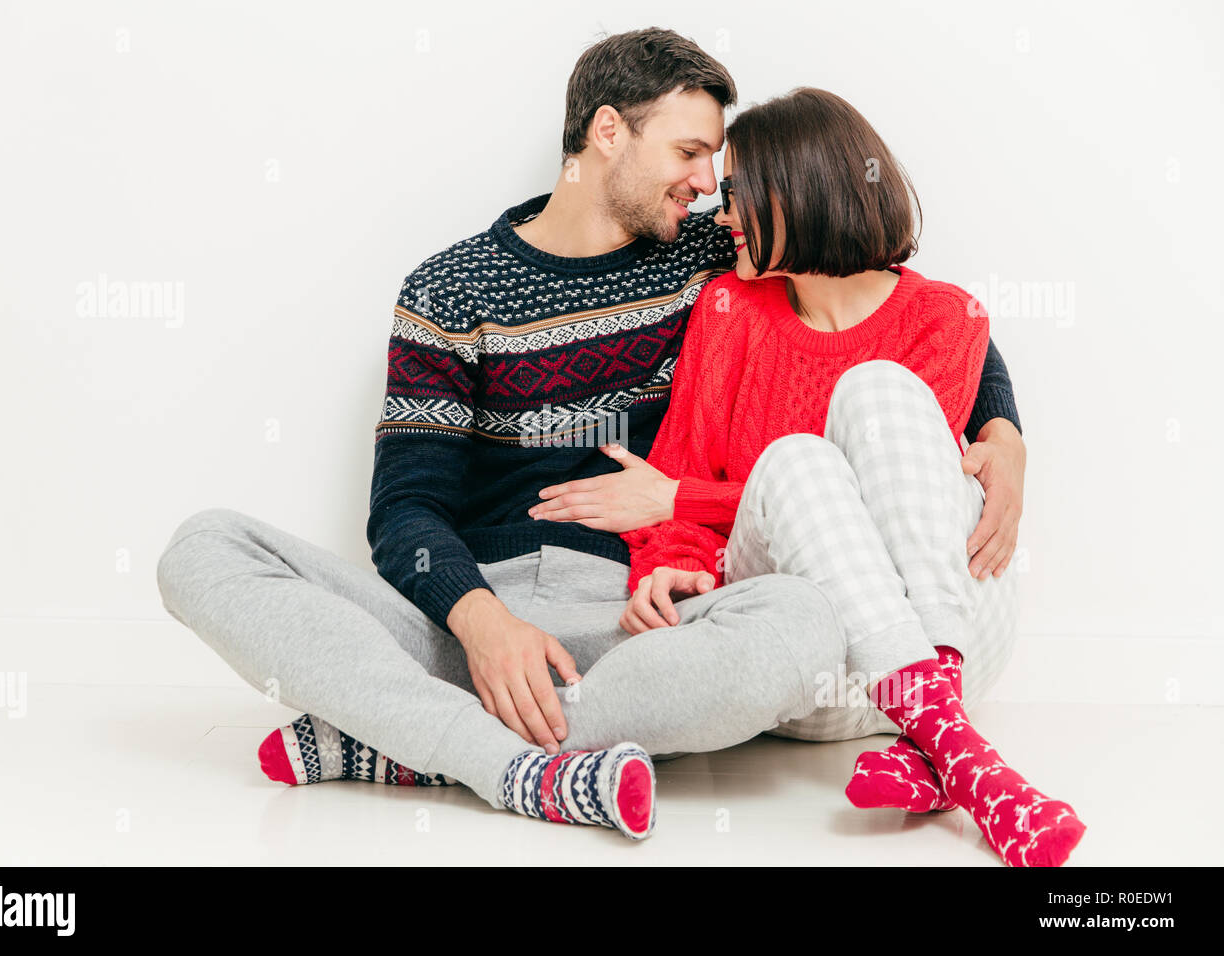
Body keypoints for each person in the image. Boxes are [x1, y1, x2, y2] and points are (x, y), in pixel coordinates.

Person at [155, 30, 1027, 843]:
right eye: (688, 154)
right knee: (205, 549)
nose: (708, 187)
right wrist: (485, 625)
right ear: (608, 132)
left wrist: (1003, 431)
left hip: (635, 625)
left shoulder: (712, 260)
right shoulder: (451, 289)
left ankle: (419, 743)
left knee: (800, 626)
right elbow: (404, 515)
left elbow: (889, 302)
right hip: (465, 618)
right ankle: (519, 759)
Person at [591, 87, 1083, 866]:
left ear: (800, 189)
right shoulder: (726, 310)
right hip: (818, 662)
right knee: (797, 459)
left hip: (952, 629)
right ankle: (966, 761)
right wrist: (668, 564)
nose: (723, 216)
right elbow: (677, 486)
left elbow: (881, 495)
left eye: (741, 193)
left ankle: (934, 728)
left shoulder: (944, 320)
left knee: (876, 392)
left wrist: (683, 498)